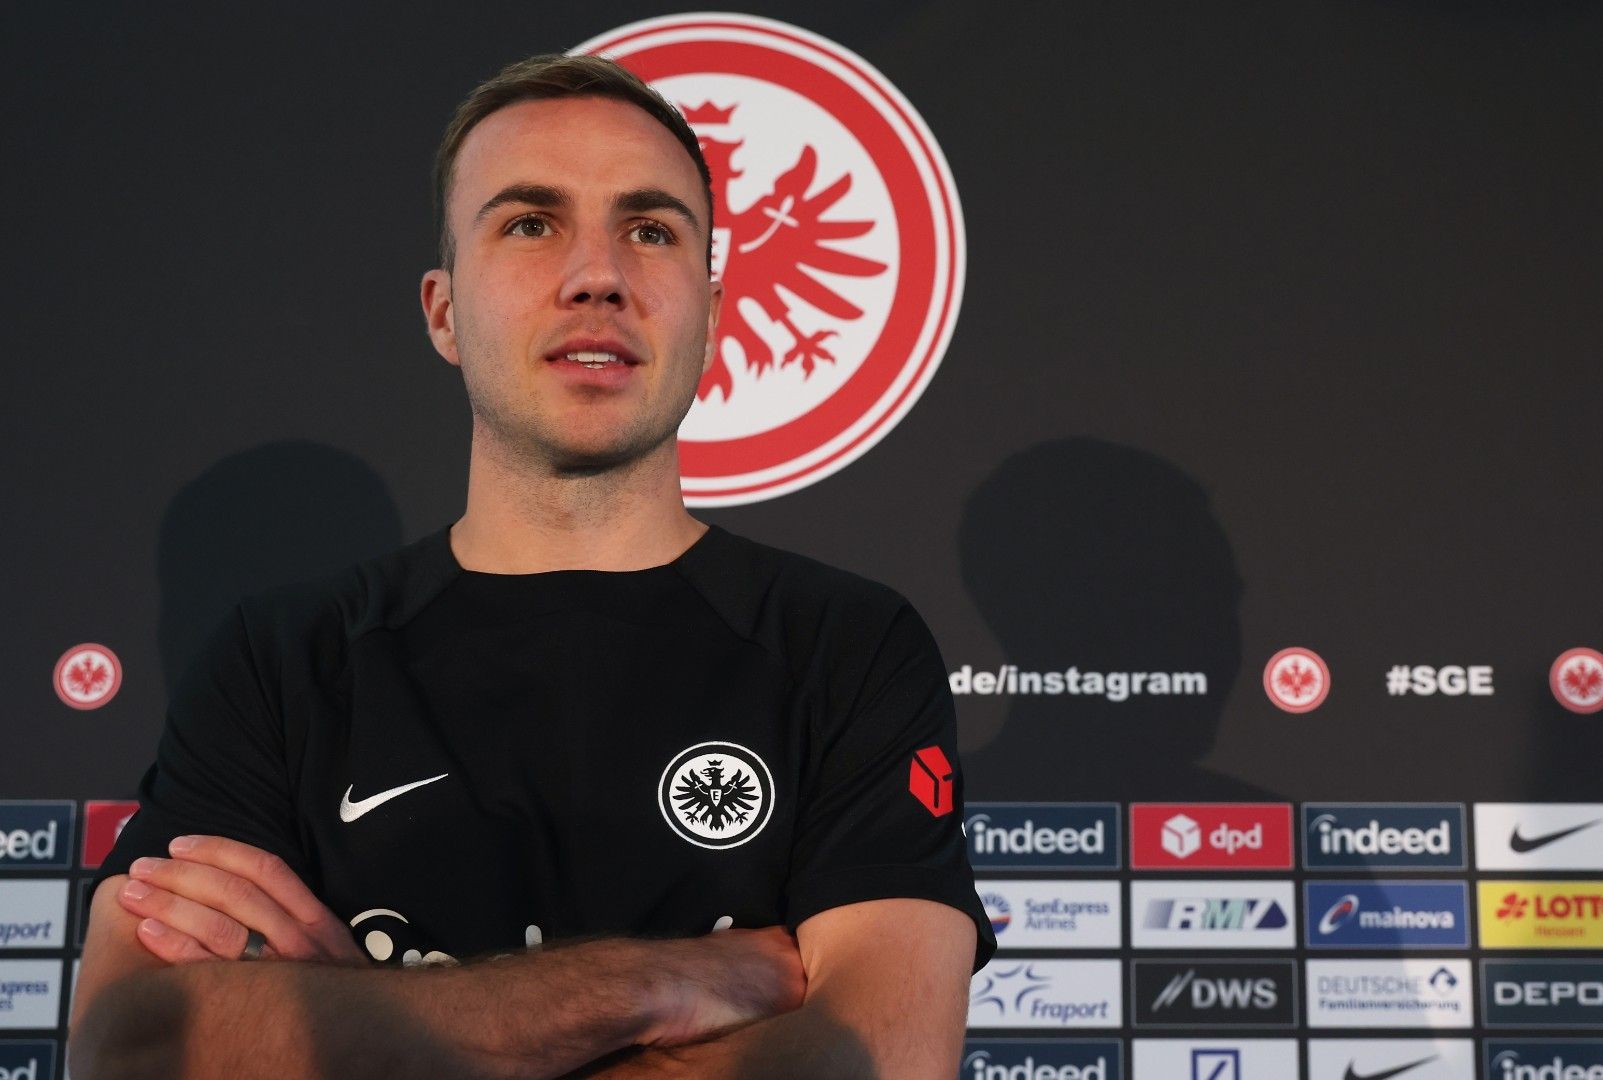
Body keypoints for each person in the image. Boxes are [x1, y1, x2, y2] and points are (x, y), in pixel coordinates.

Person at [68, 53, 992, 1080]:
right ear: (443, 313)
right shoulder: (280, 659)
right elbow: (129, 1048)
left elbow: (878, 1063)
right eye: (530, 224)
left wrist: (357, 1023)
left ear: (713, 314)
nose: (597, 275)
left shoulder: (848, 648)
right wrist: (649, 983)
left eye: (651, 230)